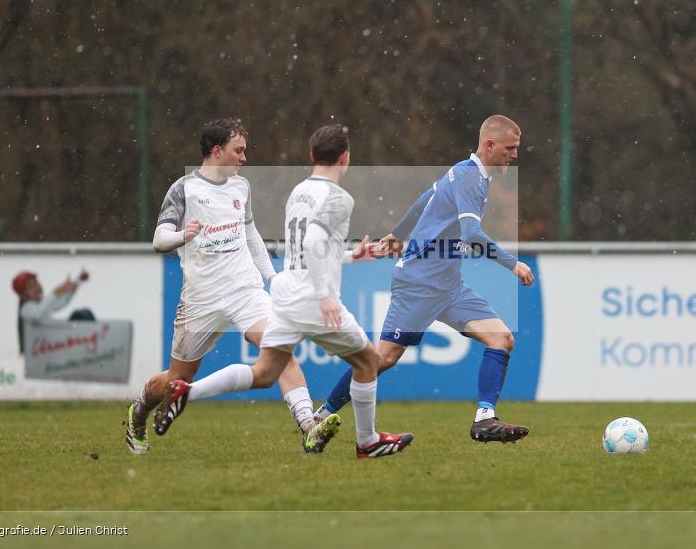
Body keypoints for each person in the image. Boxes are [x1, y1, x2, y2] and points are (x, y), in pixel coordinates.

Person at [154, 124, 414, 458]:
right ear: (345, 158)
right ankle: (367, 442)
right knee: (369, 360)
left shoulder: (300, 192)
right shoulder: (338, 198)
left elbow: (305, 250)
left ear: (311, 156)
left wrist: (353, 255)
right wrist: (324, 295)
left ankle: (185, 393)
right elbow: (315, 242)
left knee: (264, 372)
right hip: (310, 298)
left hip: (287, 294)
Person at [313, 115, 534, 443]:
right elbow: (472, 233)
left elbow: (424, 199)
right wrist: (512, 264)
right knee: (380, 359)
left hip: (449, 285)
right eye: (510, 148)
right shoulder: (470, 176)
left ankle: (485, 419)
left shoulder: (465, 171)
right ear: (489, 145)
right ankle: (321, 416)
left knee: (501, 338)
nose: (515, 155)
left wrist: (397, 233)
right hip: (419, 283)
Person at [125, 118, 332, 455]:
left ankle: (309, 426)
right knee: (177, 382)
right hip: (201, 300)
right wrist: (183, 236)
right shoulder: (184, 189)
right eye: (238, 151)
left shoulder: (241, 187)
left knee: (280, 349)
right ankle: (139, 412)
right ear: (216, 150)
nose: (244, 158)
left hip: (245, 290)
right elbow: (159, 240)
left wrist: (272, 277)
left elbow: (250, 235)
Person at [13, 270, 95, 354]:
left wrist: (78, 281)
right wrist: (57, 291)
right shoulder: (26, 309)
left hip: (55, 346)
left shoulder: (41, 303)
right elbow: (38, 314)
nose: (37, 287)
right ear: (22, 295)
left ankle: (95, 348)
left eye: (36, 283)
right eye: (30, 286)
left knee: (83, 313)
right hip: (44, 353)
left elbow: (64, 301)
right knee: (81, 317)